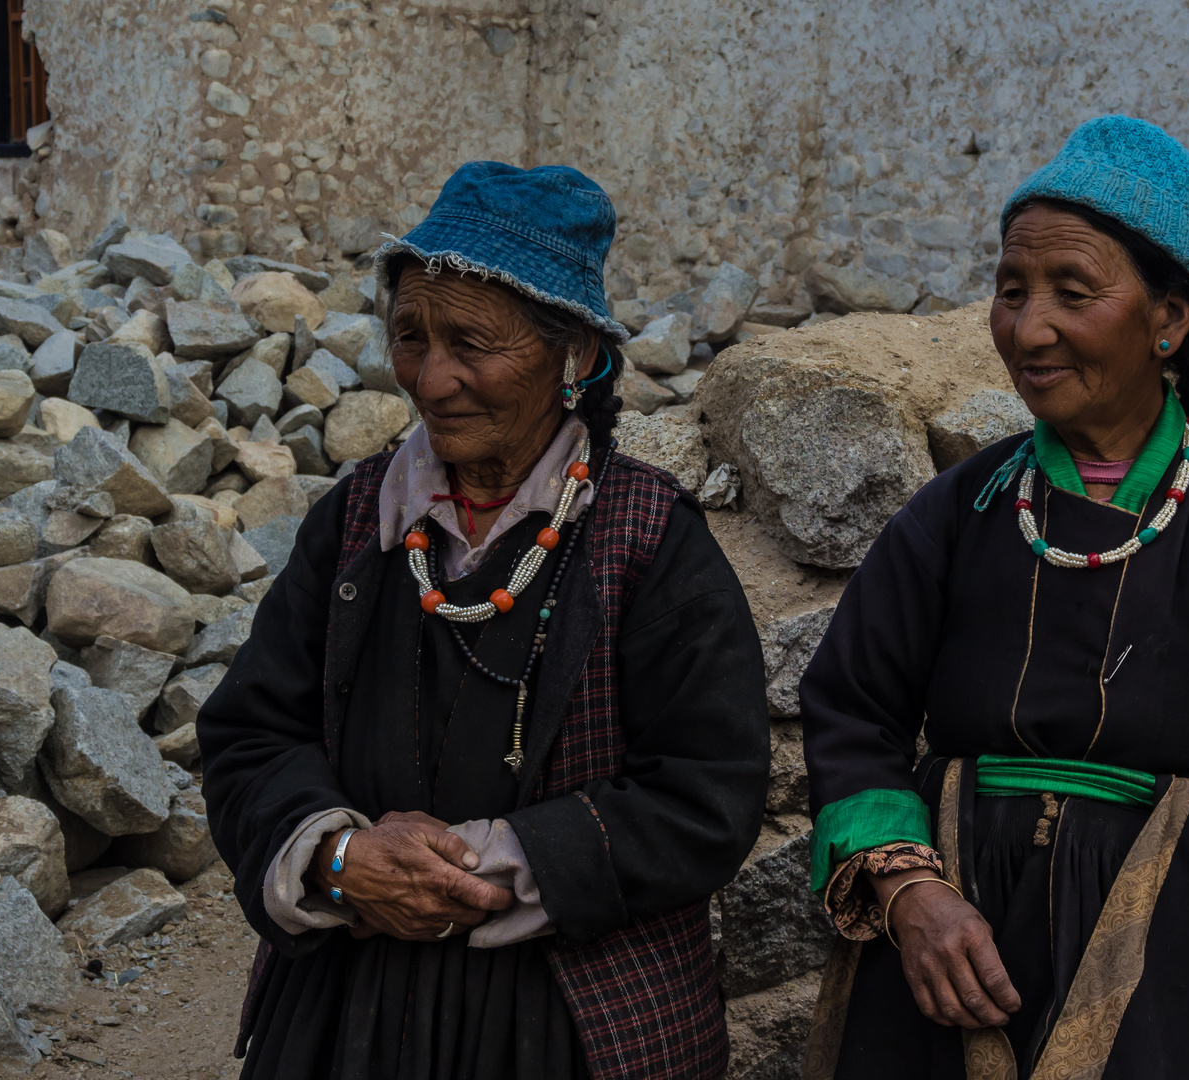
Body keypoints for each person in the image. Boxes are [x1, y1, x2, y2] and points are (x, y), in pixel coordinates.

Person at [798, 116, 1189, 1080]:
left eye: (1073, 293)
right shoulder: (958, 513)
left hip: (1182, 967)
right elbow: (851, 706)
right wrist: (909, 895)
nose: (1029, 330)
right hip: (952, 947)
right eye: (1010, 291)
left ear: (1168, 320)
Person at [198, 161, 770, 1080]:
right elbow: (248, 735)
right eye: (411, 336)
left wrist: (507, 859)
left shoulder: (649, 542)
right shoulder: (355, 526)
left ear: (575, 353)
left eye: (472, 341)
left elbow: (713, 789)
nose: (433, 378)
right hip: (348, 1009)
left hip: (572, 1021)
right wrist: (341, 856)